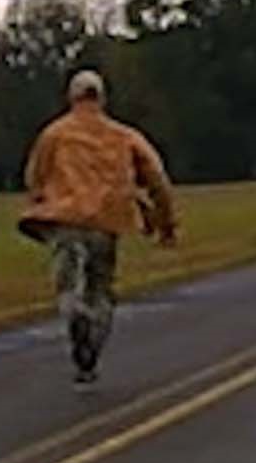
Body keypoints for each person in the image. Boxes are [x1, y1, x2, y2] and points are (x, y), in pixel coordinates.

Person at [18, 70, 178, 388]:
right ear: (102, 98)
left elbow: (34, 178)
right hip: (107, 223)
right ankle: (91, 347)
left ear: (71, 97)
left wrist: (40, 201)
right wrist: (166, 221)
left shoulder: (54, 134)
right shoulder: (125, 136)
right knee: (101, 289)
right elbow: (158, 178)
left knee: (67, 285)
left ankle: (76, 316)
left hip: (66, 221)